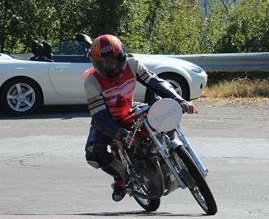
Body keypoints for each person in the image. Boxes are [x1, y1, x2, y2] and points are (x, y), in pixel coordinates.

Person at [83, 34, 197, 202]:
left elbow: (156, 82)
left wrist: (179, 100)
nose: (110, 67)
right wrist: (119, 133)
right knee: (93, 152)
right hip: (108, 120)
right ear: (95, 63)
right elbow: (99, 117)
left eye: (113, 61)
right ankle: (120, 178)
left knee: (160, 119)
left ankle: (168, 153)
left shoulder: (133, 64)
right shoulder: (92, 81)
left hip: (130, 111)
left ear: (122, 56)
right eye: (104, 63)